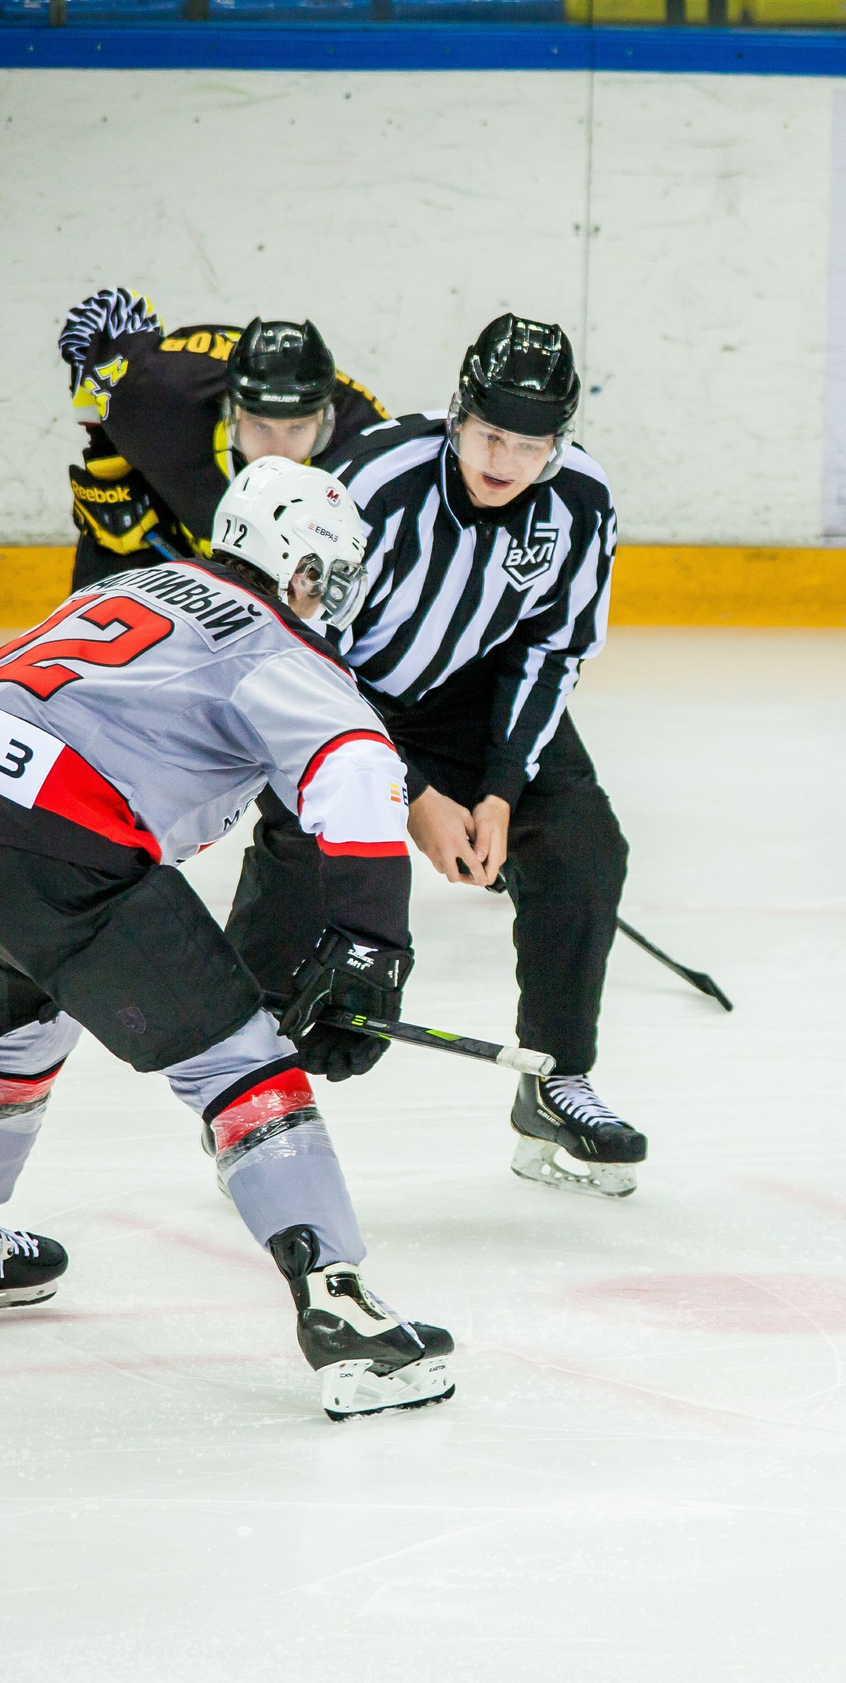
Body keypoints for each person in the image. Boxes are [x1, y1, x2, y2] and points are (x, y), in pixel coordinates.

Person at [0, 456, 452, 1421]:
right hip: (51, 838)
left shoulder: (138, 581)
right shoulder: (275, 643)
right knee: (241, 1066)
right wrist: (372, 947)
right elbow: (355, 774)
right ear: (300, 565)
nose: (332, 601)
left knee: (16, 1032)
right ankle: (341, 1310)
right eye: (332, 576)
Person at [225, 313, 642, 1200]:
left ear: (558, 444)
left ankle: (556, 1076)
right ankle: (247, 1100)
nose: (504, 461)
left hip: (468, 695)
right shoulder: (373, 480)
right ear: (458, 416)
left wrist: (499, 790)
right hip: (341, 693)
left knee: (582, 845)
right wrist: (409, 796)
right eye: (490, 435)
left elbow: (553, 650)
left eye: (529, 445)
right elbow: (300, 646)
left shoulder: (581, 501)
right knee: (308, 855)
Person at [57, 286, 388, 589]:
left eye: (297, 428)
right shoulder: (160, 394)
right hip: (163, 548)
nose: (278, 452)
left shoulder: (367, 446)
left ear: (325, 423)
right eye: (261, 426)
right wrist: (108, 474)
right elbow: (104, 317)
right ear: (232, 414)